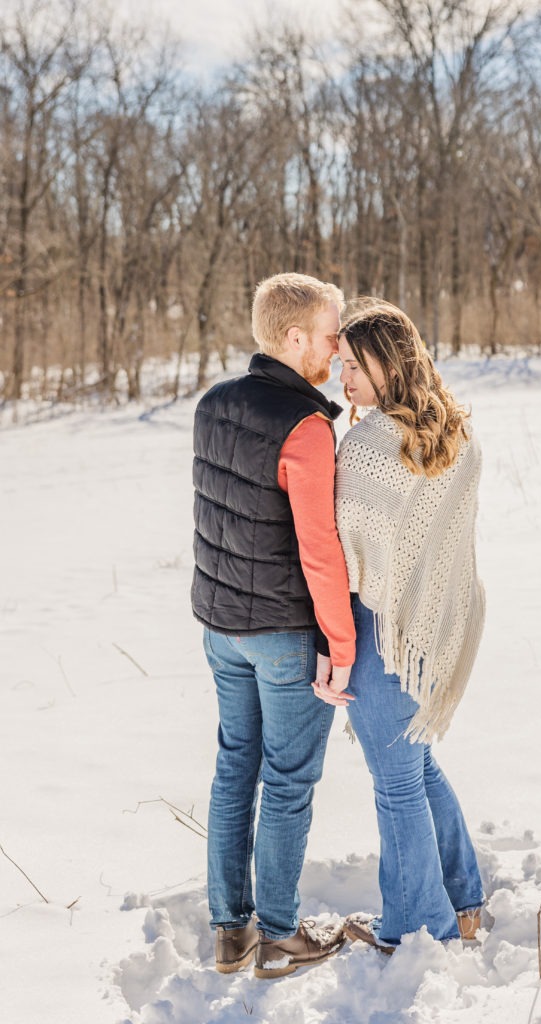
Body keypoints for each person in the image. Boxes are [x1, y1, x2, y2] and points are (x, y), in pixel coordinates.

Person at [192, 272, 355, 978]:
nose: (337, 346)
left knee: (235, 770)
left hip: (220, 625)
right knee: (287, 782)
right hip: (284, 636)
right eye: (329, 334)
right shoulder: (305, 426)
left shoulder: (214, 402)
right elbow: (319, 547)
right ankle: (282, 938)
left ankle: (232, 932)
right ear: (293, 338)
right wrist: (340, 644)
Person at [313, 301, 486, 952]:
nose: (344, 378)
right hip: (429, 627)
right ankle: (462, 901)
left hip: (378, 629)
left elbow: (340, 550)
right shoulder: (456, 432)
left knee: (395, 785)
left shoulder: (365, 445)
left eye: (355, 365)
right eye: (340, 364)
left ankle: (418, 930)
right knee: (416, 768)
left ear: (390, 362)